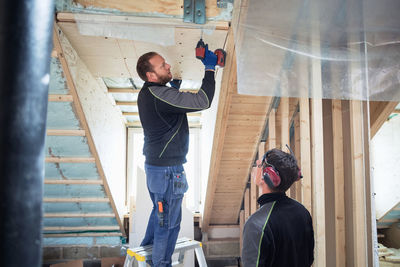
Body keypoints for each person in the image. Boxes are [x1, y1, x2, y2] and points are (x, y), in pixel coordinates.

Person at [136, 47, 217, 267]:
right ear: (151, 76)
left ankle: (149, 252)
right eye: (163, 65)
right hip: (168, 173)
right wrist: (210, 68)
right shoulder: (161, 96)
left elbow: (165, 110)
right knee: (169, 224)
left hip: (156, 170)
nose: (169, 65)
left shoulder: (147, 92)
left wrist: (172, 88)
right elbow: (203, 101)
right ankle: (161, 264)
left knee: (159, 214)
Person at [242, 148, 314, 267]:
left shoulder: (256, 223)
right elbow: (309, 259)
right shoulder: (302, 211)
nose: (255, 167)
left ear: (269, 176)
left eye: (259, 165)